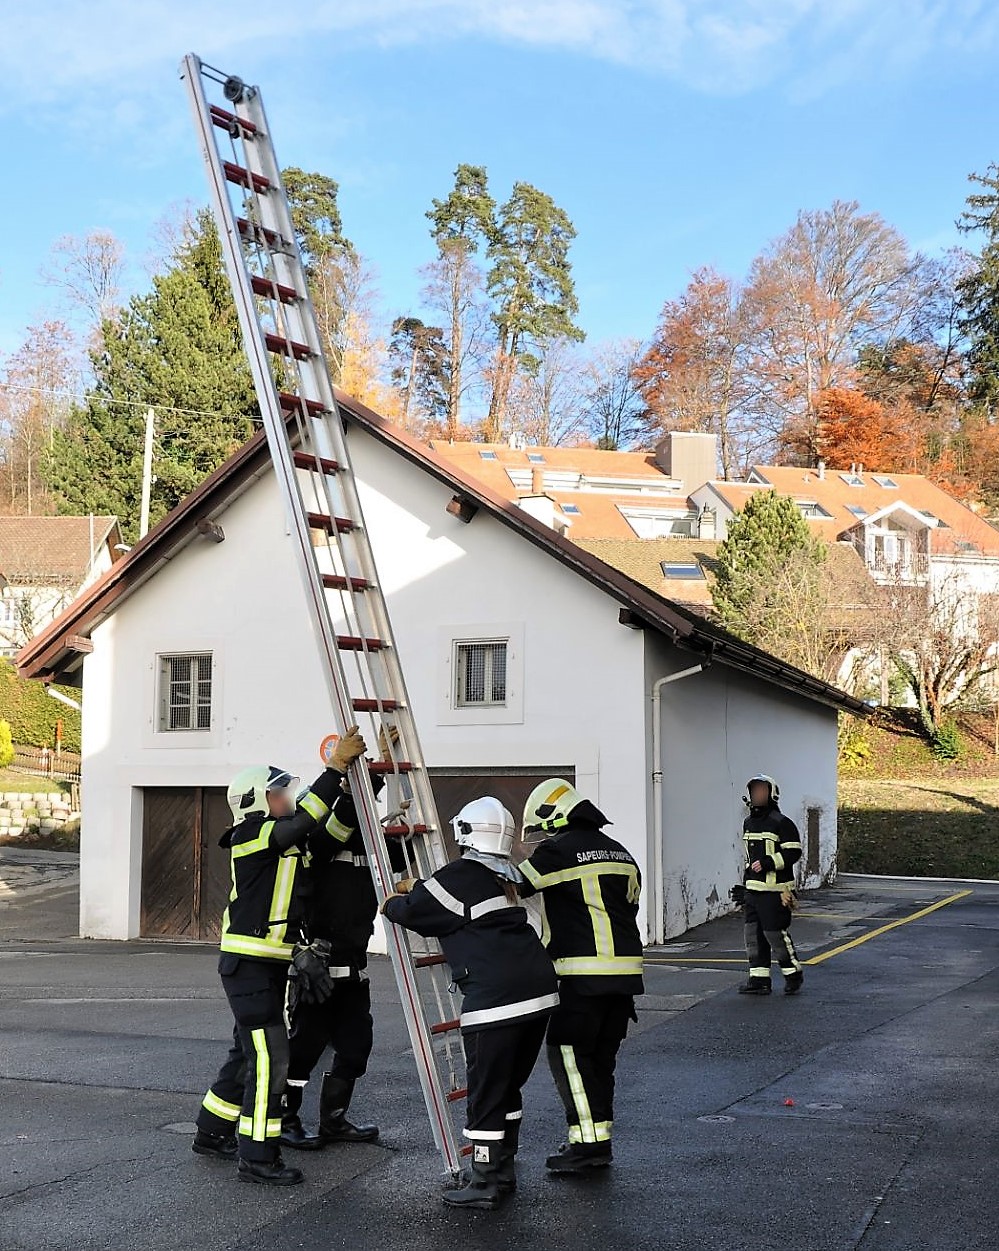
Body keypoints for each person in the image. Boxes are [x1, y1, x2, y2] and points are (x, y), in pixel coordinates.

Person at [191, 728, 367, 1185]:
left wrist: (362, 784)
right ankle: (258, 1157)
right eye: (278, 793)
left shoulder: (288, 842)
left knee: (246, 1052)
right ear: (256, 801)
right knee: (271, 1058)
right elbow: (303, 822)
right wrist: (333, 769)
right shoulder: (250, 835)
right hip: (248, 965)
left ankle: (211, 1132)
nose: (286, 798)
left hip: (268, 966)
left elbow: (331, 832)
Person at [381, 797, 559, 1210]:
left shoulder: (461, 874)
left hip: (497, 1001)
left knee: (485, 1091)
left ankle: (484, 1181)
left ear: (465, 833)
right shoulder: (506, 875)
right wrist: (422, 886)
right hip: (538, 993)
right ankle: (503, 1169)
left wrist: (391, 901)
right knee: (507, 1085)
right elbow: (449, 899)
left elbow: (411, 911)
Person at [280, 728, 409, 1151]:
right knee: (304, 1050)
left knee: (356, 1047)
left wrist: (386, 771)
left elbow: (398, 849)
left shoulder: (372, 847)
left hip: (354, 967)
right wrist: (370, 775)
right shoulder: (316, 846)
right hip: (318, 969)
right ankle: (285, 1119)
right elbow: (345, 818)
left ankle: (334, 1121)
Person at [518, 779, 644, 1175]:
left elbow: (515, 883)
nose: (542, 838)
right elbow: (628, 907)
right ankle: (595, 1138)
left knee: (569, 1057)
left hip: (582, 975)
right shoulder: (620, 852)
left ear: (553, 817)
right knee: (600, 1061)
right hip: (625, 977)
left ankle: (588, 1147)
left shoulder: (558, 852)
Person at [733, 773, 804, 996]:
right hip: (754, 891)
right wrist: (745, 887)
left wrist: (768, 863)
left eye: (762, 790)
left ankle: (793, 974)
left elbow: (793, 852)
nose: (757, 795)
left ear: (772, 794)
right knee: (753, 936)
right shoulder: (748, 823)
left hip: (776, 892)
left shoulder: (782, 823)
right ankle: (759, 980)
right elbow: (749, 859)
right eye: (754, 791)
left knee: (774, 935)